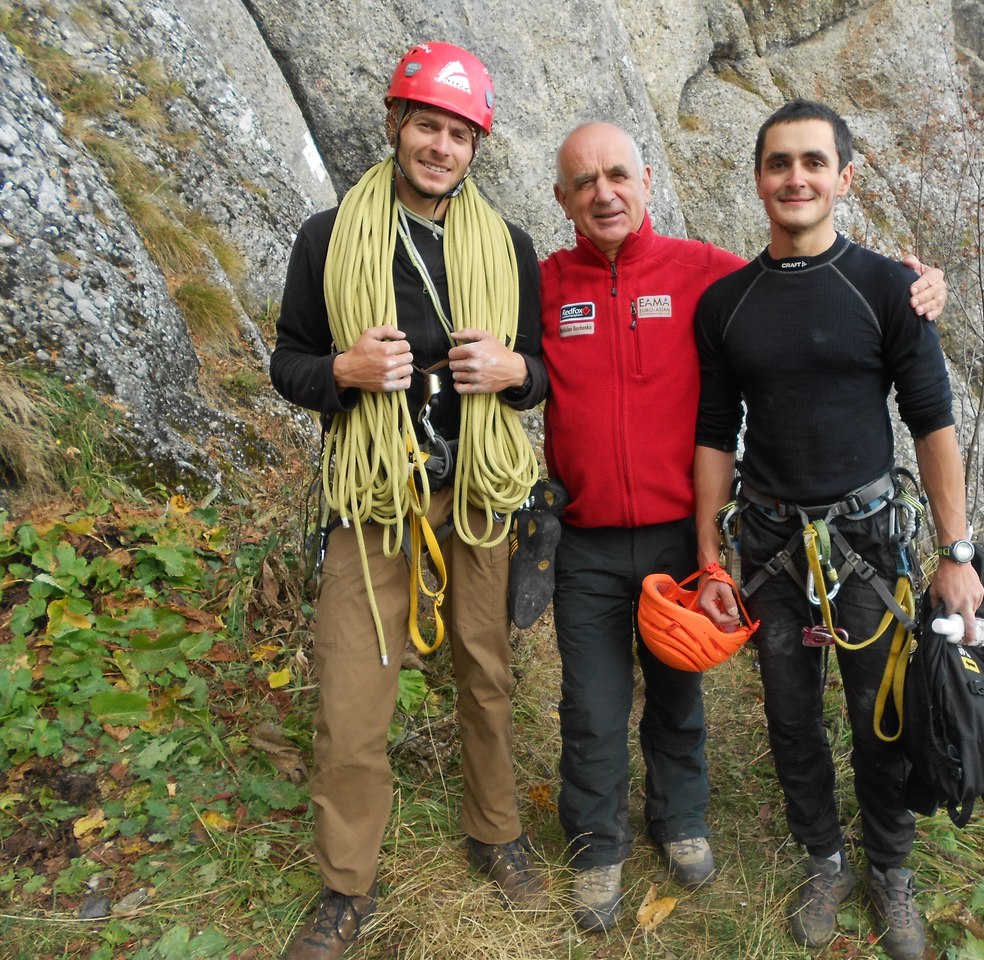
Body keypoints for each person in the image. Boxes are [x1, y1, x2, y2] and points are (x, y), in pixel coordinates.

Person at [538, 121, 948, 932]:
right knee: (612, 705)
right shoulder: (549, 282)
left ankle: (709, 826)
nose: (604, 193)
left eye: (619, 175)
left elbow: (809, 284)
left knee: (712, 694)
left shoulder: (702, 274)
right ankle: (611, 849)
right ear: (562, 198)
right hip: (620, 535)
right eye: (585, 182)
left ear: (647, 181)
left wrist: (919, 280)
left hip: (767, 533)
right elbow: (714, 421)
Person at [270, 42, 549, 960]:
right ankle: (345, 886)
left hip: (474, 489)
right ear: (395, 125)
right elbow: (290, 360)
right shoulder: (329, 236)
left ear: (477, 146)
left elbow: (540, 371)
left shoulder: (509, 248)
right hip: (374, 493)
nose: (441, 146)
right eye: (427, 124)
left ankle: (496, 830)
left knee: (487, 672)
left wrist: (514, 372)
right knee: (353, 691)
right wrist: (342, 372)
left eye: (459, 133)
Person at [692, 99, 984, 960]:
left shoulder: (891, 289)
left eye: (813, 163)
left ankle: (890, 873)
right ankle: (824, 858)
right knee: (790, 716)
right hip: (771, 549)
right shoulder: (728, 305)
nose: (795, 178)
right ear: (757, 179)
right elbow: (715, 431)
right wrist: (710, 555)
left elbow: (933, 423)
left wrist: (955, 553)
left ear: (843, 178)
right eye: (779, 163)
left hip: (865, 546)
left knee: (878, 715)